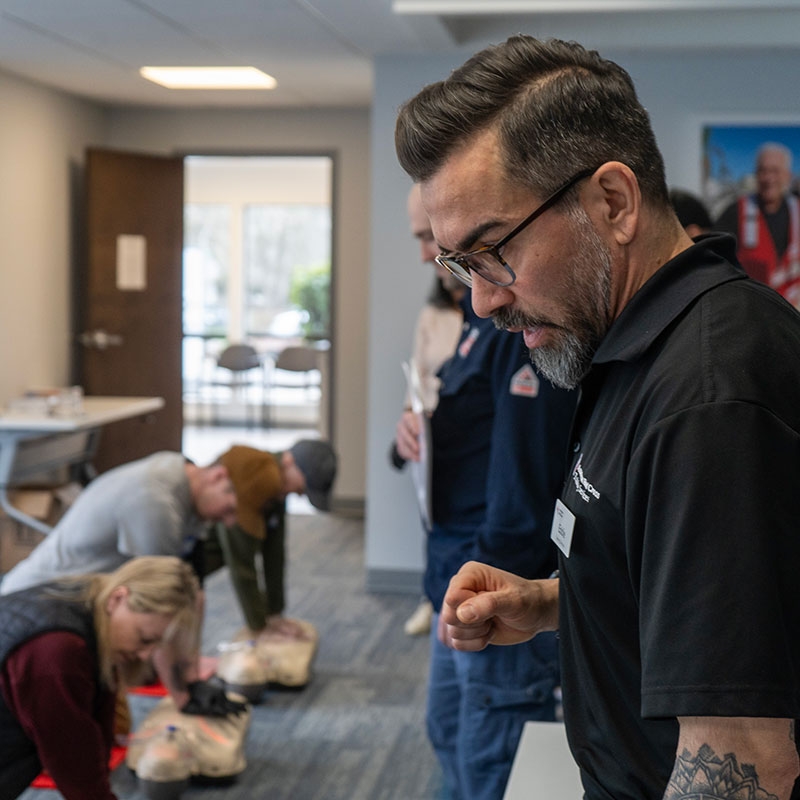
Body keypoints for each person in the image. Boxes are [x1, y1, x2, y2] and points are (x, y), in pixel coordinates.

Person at [395, 34, 800, 800]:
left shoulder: (708, 398)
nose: (481, 301)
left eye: (490, 253)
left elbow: (745, 760)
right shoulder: (628, 344)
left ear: (612, 202)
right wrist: (555, 600)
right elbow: (698, 602)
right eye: (459, 267)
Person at [391, 185, 576, 798]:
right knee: (451, 741)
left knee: (491, 766)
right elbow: (456, 422)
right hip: (455, 570)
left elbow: (523, 472)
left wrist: (491, 577)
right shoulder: (472, 323)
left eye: (433, 242)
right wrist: (408, 435)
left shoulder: (515, 324)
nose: (427, 257)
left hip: (496, 583)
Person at [0, 440, 337, 699]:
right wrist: (183, 696)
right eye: (231, 510)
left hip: (83, 601)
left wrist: (189, 675)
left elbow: (194, 595)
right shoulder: (156, 504)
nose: (231, 522)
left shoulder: (189, 488)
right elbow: (161, 608)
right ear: (219, 477)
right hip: (34, 607)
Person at [0, 555, 201, 800]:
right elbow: (72, 759)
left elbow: (93, 729)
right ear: (118, 598)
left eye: (157, 644)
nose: (146, 654)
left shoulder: (91, 602)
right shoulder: (58, 652)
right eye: (145, 638)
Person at [390, 184, 465, 636]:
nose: (425, 256)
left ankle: (448, 599)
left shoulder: (493, 320)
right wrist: (406, 421)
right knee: (432, 519)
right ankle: (433, 595)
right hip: (431, 431)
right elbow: (416, 375)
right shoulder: (433, 314)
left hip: (466, 441)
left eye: (428, 238)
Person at [715, 142, 800, 307]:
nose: (769, 178)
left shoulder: (798, 210)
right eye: (763, 171)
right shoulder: (735, 212)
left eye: (775, 171)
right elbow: (715, 260)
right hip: (751, 310)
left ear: (787, 175)